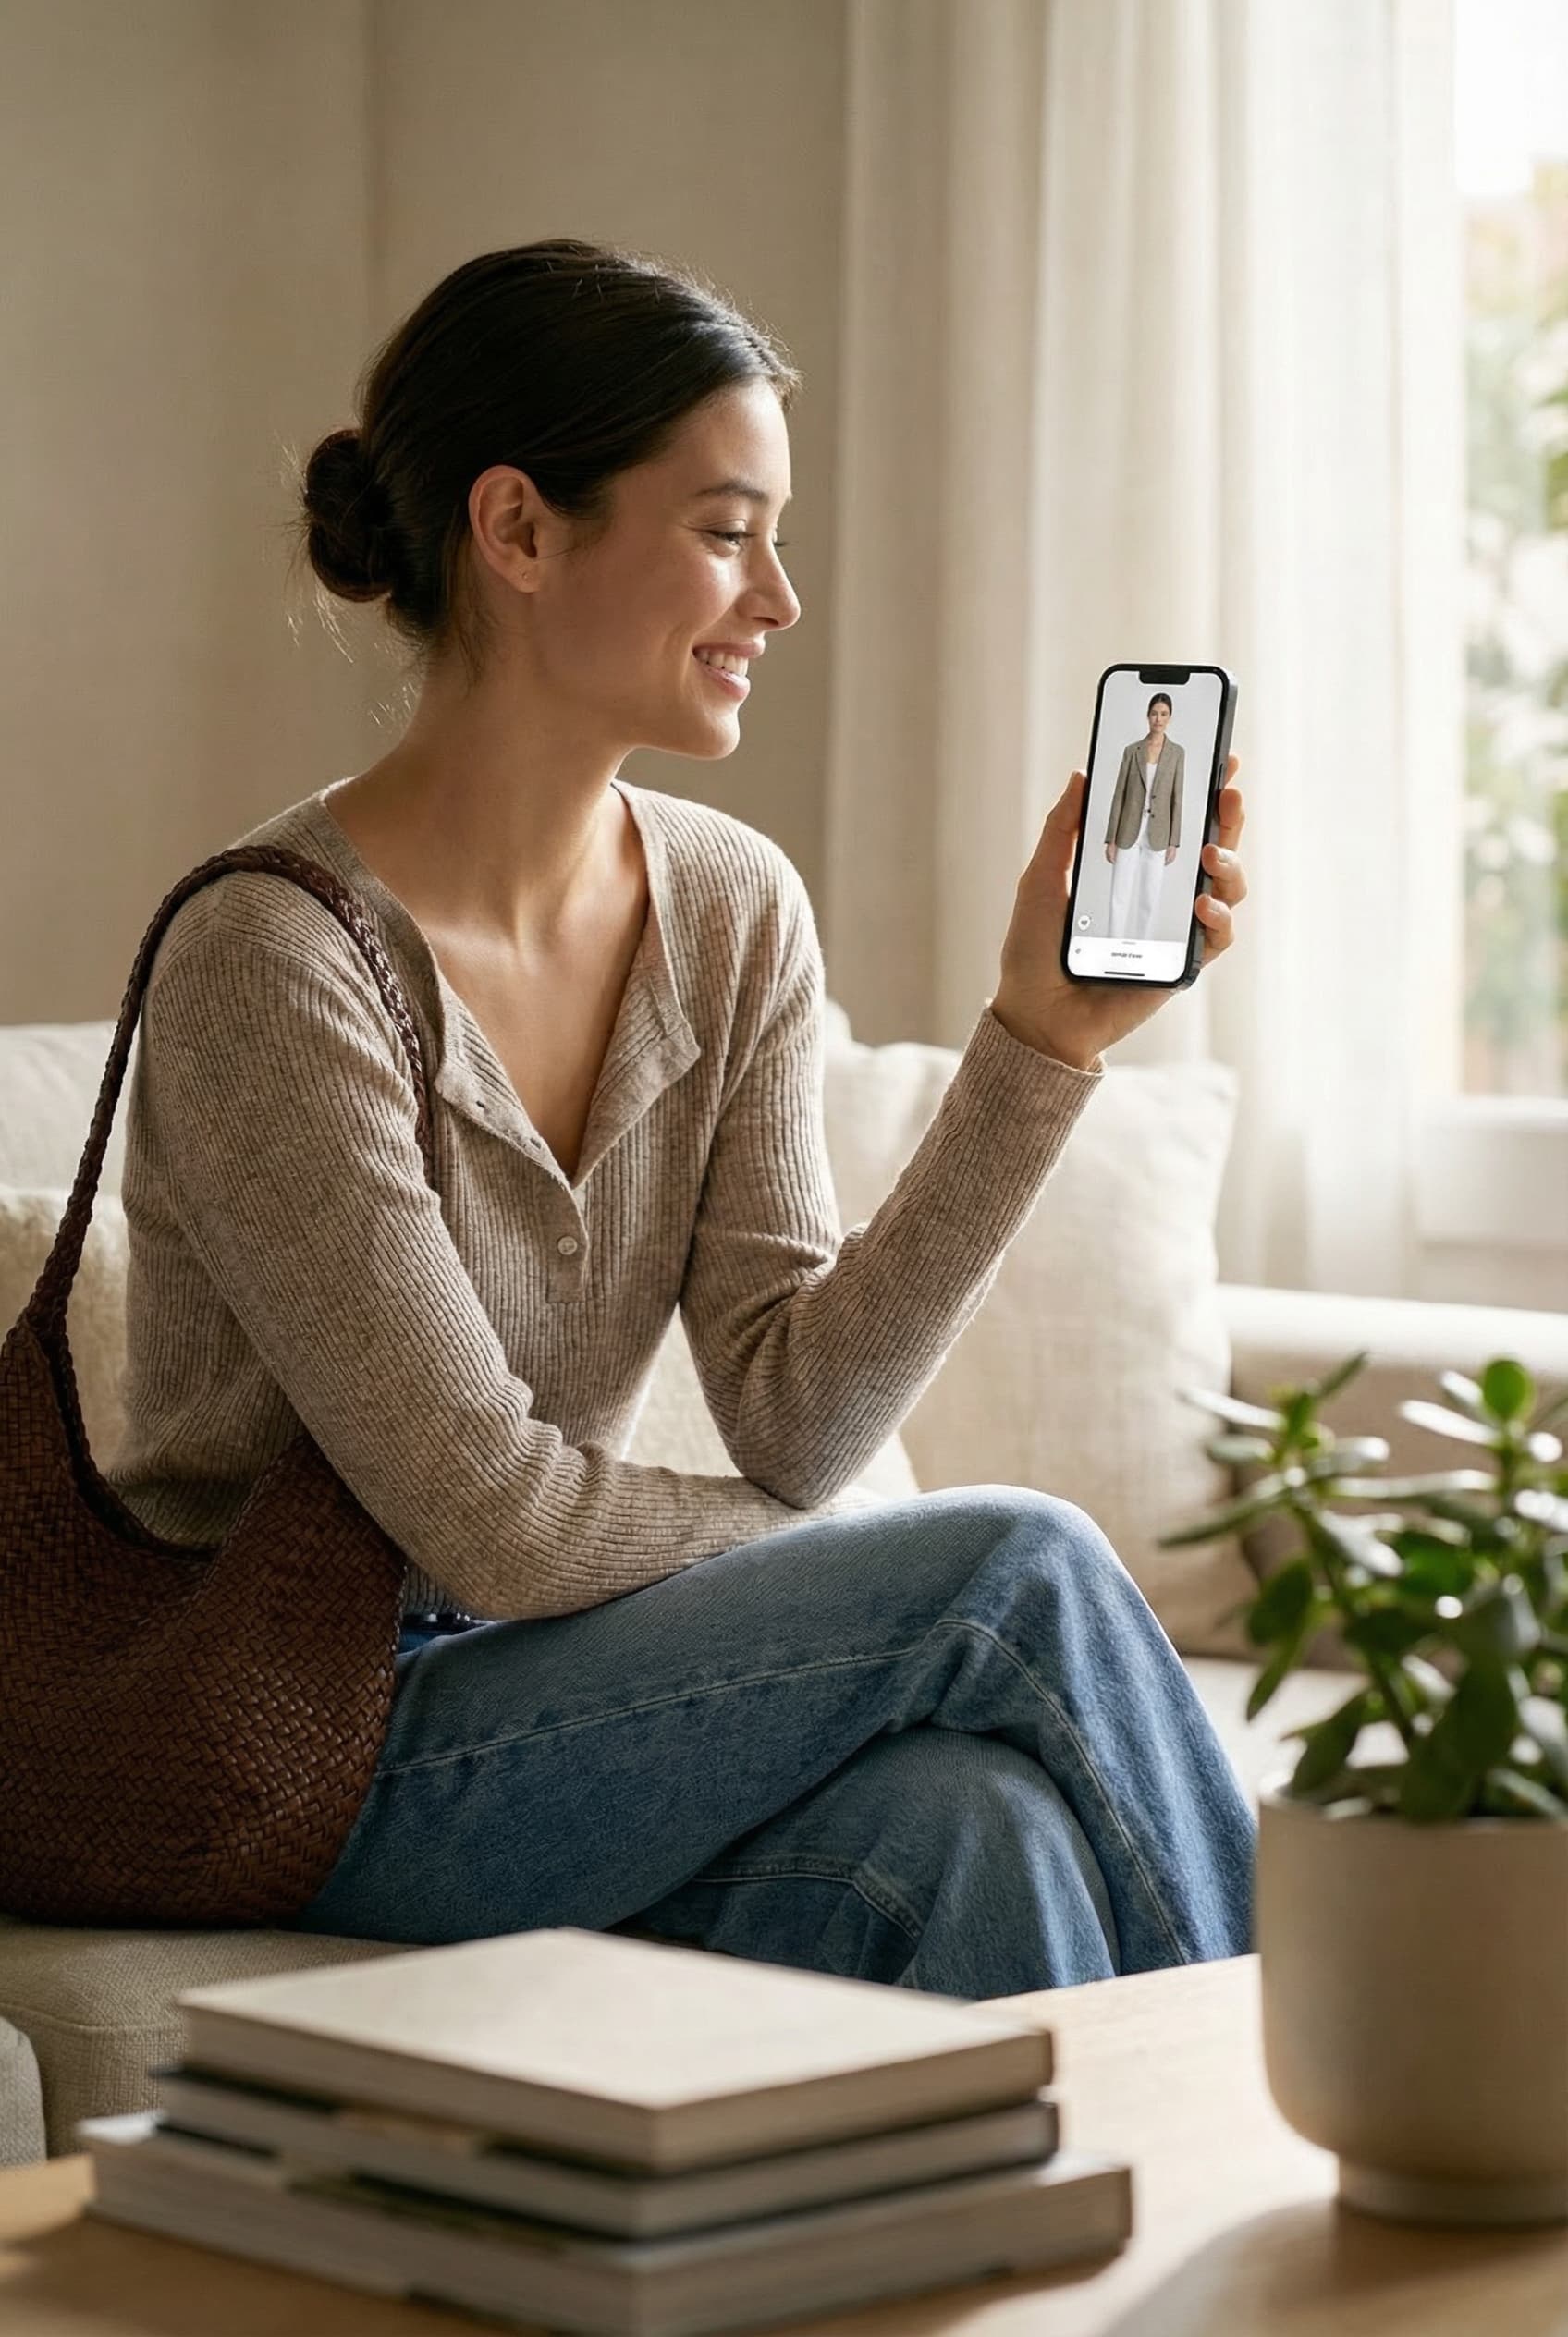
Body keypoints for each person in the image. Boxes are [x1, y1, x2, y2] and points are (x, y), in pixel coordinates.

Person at [108, 239, 1255, 2000]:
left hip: (578, 1696)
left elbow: (796, 1409)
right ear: (520, 530)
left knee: (978, 1831)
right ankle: (1345, 2147)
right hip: (311, 1738)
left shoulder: (729, 909)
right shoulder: (272, 959)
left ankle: (1040, 2274)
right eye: (728, 530)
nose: (779, 598)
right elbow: (490, 1522)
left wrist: (1041, 1038)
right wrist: (867, 1566)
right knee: (1010, 1562)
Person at [1104, 692, 1184, 939]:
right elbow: (1120, 794)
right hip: (1128, 830)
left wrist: (1174, 841)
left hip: (1158, 834)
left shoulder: (1177, 753)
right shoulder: (1132, 751)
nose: (1158, 719)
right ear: (1147, 716)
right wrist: (1111, 839)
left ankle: (1142, 947)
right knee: (1119, 894)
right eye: (1154, 713)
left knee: (1150, 897)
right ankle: (1113, 945)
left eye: (1163, 714)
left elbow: (1176, 798)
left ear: (1169, 718)